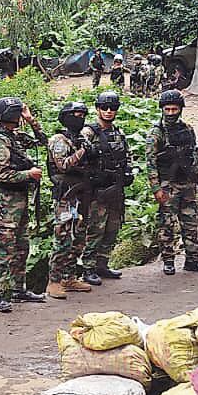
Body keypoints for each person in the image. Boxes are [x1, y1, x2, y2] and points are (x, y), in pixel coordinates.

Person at [0, 97, 46, 313]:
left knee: (21, 246)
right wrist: (28, 173)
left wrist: (30, 120)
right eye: (19, 113)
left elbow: (42, 141)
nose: (21, 116)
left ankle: (19, 289)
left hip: (19, 199)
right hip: (7, 202)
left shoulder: (14, 137)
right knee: (3, 248)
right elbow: (3, 174)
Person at [148, 91, 198, 275]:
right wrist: (156, 188)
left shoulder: (188, 129)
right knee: (167, 225)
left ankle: (192, 261)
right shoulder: (156, 133)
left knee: (190, 223)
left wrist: (196, 170)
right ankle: (168, 261)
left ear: (180, 109)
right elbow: (150, 163)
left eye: (175, 109)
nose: (171, 113)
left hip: (188, 183)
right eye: (167, 109)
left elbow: (194, 152)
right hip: (168, 185)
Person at [79, 90, 131, 283]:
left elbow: (127, 156)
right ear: (98, 109)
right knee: (95, 229)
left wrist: (128, 172)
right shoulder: (89, 132)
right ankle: (88, 267)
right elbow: (80, 158)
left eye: (113, 108)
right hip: (97, 191)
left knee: (112, 228)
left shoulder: (118, 133)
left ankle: (102, 264)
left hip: (115, 189)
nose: (109, 111)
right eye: (104, 108)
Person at [45, 101, 94, 300]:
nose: (79, 118)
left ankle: (69, 277)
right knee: (63, 238)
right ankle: (54, 281)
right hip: (65, 195)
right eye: (75, 114)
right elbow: (63, 165)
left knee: (79, 237)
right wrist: (84, 151)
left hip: (80, 193)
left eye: (82, 115)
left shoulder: (80, 138)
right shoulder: (59, 140)